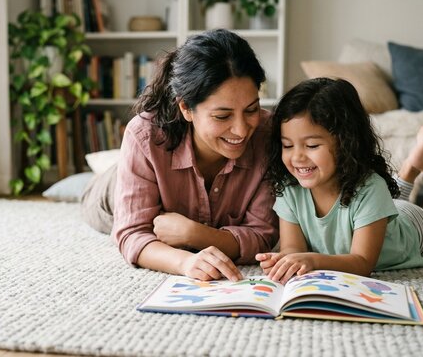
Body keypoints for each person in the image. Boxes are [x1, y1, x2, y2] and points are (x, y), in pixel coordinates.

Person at [80, 29, 279, 282]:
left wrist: (194, 234)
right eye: (222, 116)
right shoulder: (144, 134)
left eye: (251, 109)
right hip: (106, 195)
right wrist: (186, 262)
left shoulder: (267, 135)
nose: (241, 129)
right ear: (185, 108)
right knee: (108, 181)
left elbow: (262, 237)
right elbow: (132, 234)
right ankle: (110, 165)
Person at [256, 77, 423, 284]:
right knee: (382, 199)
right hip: (380, 210)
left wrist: (312, 260)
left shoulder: (371, 188)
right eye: (288, 146)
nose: (297, 157)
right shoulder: (290, 189)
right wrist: (287, 259)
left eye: (311, 146)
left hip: (413, 227)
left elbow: (362, 263)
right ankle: (411, 167)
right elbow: (293, 249)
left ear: (346, 143)